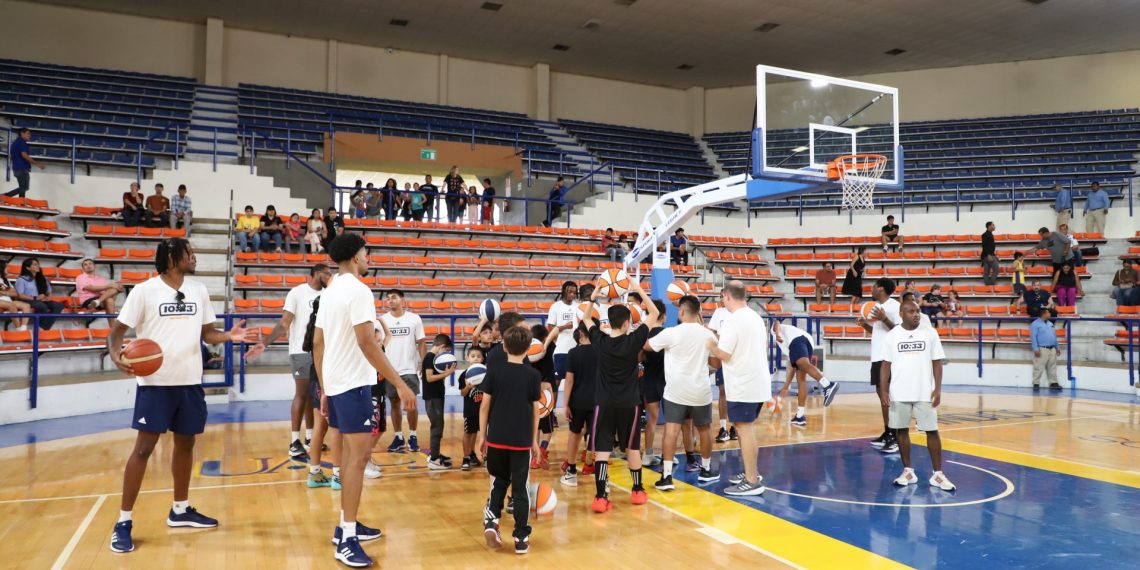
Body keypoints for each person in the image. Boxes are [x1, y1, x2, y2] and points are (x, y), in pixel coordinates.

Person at [105, 238, 255, 553]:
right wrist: (116, 354)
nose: (194, 257)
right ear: (172, 258)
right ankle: (123, 521)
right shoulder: (144, 291)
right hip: (154, 383)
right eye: (189, 253)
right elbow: (117, 331)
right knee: (144, 449)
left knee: (186, 444)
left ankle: (180, 509)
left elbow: (207, 334)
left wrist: (229, 336)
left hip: (189, 381)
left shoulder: (198, 290)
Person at [313, 233, 413, 567]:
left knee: (349, 458)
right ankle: (347, 539)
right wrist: (400, 384)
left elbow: (318, 343)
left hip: (337, 383)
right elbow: (367, 342)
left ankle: (347, 525)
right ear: (356, 257)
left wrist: (325, 388)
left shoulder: (329, 291)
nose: (368, 258)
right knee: (358, 460)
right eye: (366, 253)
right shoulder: (359, 290)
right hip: (354, 384)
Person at [581, 281, 660, 512]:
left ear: (608, 322)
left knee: (602, 449)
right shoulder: (633, 341)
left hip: (604, 402)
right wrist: (638, 288)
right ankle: (637, 491)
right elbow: (654, 313)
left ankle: (600, 497)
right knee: (632, 447)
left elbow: (586, 319)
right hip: (629, 403)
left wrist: (594, 296)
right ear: (627, 323)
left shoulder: (600, 341)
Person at [245, 263, 331, 459]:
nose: (330, 276)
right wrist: (264, 343)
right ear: (316, 274)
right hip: (301, 351)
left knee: (313, 396)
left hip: (321, 352)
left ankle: (310, 438)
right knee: (301, 394)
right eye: (327, 273)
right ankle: (294, 442)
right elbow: (284, 324)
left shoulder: (328, 294)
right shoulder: (297, 292)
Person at [644, 295, 721, 490]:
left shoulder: (670, 333)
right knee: (704, 430)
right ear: (698, 312)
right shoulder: (708, 335)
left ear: (681, 311)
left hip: (675, 390)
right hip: (700, 390)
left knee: (671, 431)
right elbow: (716, 363)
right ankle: (706, 469)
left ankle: (667, 476)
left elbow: (646, 346)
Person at [478, 325, 542, 555]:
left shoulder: (494, 372)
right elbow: (536, 412)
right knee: (520, 488)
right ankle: (521, 537)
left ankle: (492, 521)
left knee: (499, 481)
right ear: (528, 349)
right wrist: (534, 441)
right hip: (521, 440)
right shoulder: (533, 376)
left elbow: (484, 407)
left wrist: (482, 436)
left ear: (504, 346)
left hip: (496, 437)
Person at [881, 301, 955, 492]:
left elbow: (937, 362)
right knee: (901, 431)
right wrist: (884, 390)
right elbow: (885, 364)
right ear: (901, 313)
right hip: (899, 392)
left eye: (918, 311)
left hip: (924, 392)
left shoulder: (930, 332)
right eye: (911, 311)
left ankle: (938, 474)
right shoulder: (892, 336)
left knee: (932, 431)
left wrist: (938, 389)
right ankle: (908, 471)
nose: (916, 314)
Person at [705, 280, 770, 496]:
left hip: (744, 384)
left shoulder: (733, 320)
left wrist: (710, 344)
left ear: (726, 296)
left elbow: (723, 354)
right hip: (756, 381)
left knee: (745, 429)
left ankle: (752, 481)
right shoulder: (755, 317)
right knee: (745, 429)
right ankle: (751, 472)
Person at [857, 277, 901, 453]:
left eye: (874, 286)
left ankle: (895, 436)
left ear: (881, 288)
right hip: (877, 356)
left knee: (888, 396)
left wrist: (885, 319)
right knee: (881, 395)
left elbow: (900, 332)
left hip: (888, 358)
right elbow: (879, 332)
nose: (872, 289)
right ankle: (888, 432)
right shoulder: (876, 307)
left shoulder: (894, 306)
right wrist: (865, 326)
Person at [380, 289, 427, 453]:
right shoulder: (382, 320)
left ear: (402, 300)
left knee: (411, 403)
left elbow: (421, 342)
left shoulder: (414, 319)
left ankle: (413, 436)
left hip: (409, 369)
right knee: (394, 403)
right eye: (388, 298)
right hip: (390, 370)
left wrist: (424, 363)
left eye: (393, 297)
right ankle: (399, 437)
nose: (390, 300)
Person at [771, 320, 839, 429]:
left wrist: (778, 334)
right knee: (801, 379)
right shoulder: (787, 347)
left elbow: (776, 322)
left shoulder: (774, 332)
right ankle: (800, 416)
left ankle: (828, 384)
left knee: (804, 364)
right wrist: (786, 386)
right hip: (807, 342)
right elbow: (793, 367)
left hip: (798, 340)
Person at [560, 323, 596, 487]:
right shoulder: (601, 351)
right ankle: (598, 474)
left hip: (578, 401)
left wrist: (565, 404)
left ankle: (572, 472)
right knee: (597, 436)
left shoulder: (574, 353)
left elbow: (569, 380)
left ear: (580, 333)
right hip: (598, 401)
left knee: (574, 434)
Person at [420, 333, 456, 469]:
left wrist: (444, 374)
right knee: (437, 427)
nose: (446, 353)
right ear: (442, 346)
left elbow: (435, 378)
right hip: (433, 398)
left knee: (439, 426)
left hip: (437, 397)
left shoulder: (434, 359)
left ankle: (435, 453)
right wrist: (447, 373)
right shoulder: (429, 357)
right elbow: (429, 378)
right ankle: (434, 459)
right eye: (446, 350)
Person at [639, 300, 668, 466]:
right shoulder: (667, 334)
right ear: (663, 316)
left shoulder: (644, 335)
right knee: (671, 422)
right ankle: (666, 455)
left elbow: (638, 358)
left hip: (648, 380)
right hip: (666, 382)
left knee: (652, 420)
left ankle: (648, 454)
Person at [707, 304, 735, 443]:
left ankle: (735, 426)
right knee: (723, 391)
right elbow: (711, 332)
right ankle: (723, 428)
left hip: (737, 357)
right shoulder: (719, 312)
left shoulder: (742, 312)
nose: (722, 298)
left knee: (736, 392)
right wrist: (719, 339)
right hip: (723, 355)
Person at [546, 280, 578, 394]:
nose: (572, 294)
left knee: (576, 381)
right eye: (570, 292)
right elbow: (550, 327)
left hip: (575, 349)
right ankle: (552, 405)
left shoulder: (578, 306)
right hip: (561, 349)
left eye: (574, 292)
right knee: (556, 381)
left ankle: (572, 404)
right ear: (563, 291)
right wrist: (564, 327)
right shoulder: (556, 306)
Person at [14, 257, 64, 330]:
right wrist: (35, 298)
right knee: (41, 306)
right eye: (35, 264)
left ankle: (44, 327)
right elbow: (20, 295)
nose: (38, 266)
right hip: (28, 300)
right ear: (28, 268)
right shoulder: (21, 279)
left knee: (59, 305)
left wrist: (48, 298)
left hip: (41, 300)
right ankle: (41, 327)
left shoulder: (43, 278)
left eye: (38, 264)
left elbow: (49, 292)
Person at [457, 346, 486, 470]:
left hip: (484, 410)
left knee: (482, 434)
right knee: (469, 433)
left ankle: (483, 456)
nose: (476, 358)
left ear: (483, 359)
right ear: (467, 358)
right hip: (470, 410)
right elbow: (463, 393)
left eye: (478, 356)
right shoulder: (464, 375)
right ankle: (466, 457)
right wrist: (468, 387)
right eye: (473, 356)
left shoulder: (486, 373)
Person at [76, 258, 124, 326]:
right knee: (111, 291)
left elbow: (105, 293)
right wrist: (109, 286)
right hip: (87, 301)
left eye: (90, 264)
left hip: (100, 299)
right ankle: (113, 327)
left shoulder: (101, 279)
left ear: (94, 266)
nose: (88, 266)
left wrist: (117, 291)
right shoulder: (80, 277)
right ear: (83, 268)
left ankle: (97, 302)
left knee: (111, 297)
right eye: (85, 265)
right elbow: (91, 288)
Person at [1029, 308, 1063, 392]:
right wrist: (1036, 349)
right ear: (1043, 314)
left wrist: (1057, 347)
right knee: (1038, 366)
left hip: (1052, 348)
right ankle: (1036, 383)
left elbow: (1054, 336)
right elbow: (1033, 337)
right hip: (1042, 348)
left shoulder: (1050, 323)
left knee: (1052, 366)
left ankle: (1053, 383)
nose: (1050, 314)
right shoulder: (1035, 324)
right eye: (1048, 313)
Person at [7, 127, 45, 197]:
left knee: (22, 189)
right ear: (22, 133)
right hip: (22, 169)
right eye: (28, 134)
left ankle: (21, 201)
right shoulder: (22, 142)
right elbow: (24, 155)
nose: (30, 135)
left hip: (16, 168)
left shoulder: (16, 142)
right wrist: (37, 164)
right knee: (25, 187)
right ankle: (4, 196)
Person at [981, 221, 997, 286]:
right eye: (993, 225)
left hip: (989, 255)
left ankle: (988, 285)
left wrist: (995, 255)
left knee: (986, 272)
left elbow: (990, 247)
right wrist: (988, 255)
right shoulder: (985, 235)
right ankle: (991, 284)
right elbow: (984, 246)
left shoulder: (990, 234)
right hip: (988, 255)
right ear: (989, 226)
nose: (994, 226)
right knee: (996, 269)